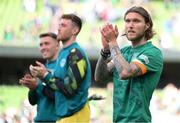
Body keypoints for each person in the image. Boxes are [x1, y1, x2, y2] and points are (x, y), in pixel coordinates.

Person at [95, 6, 163, 122]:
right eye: (127, 21)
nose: (130, 25)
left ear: (147, 25)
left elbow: (125, 72)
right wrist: (105, 50)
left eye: (136, 21)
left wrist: (112, 42)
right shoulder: (123, 52)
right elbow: (100, 77)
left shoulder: (153, 53)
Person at [29, 14, 92, 123]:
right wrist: (38, 83)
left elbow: (69, 89)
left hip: (76, 114)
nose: (58, 28)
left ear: (74, 30)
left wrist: (45, 75)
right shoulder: (63, 53)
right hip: (64, 116)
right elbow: (57, 90)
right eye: (59, 25)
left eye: (63, 25)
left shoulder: (76, 53)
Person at [19, 32, 59, 123]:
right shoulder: (41, 68)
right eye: (41, 44)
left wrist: (38, 85)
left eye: (47, 44)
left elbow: (60, 95)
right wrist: (32, 88)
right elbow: (33, 101)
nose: (43, 47)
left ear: (57, 45)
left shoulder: (62, 66)